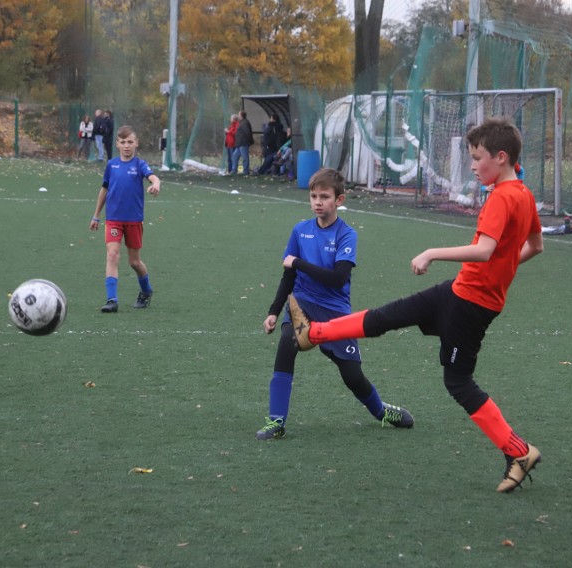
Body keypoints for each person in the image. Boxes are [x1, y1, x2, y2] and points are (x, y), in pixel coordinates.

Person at [289, 118, 544, 492]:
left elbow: (485, 250)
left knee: (458, 381)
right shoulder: (523, 193)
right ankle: (313, 332)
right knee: (386, 316)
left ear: (501, 158)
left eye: (477, 158)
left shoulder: (502, 198)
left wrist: (432, 253)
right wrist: (501, 270)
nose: (472, 165)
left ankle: (519, 451)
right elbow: (535, 246)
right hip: (460, 291)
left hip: (471, 305)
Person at [256, 168, 414, 440]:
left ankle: (381, 412)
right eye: (313, 196)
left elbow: (338, 279)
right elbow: (288, 276)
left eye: (324, 197)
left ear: (339, 200)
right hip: (302, 302)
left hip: (335, 313)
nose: (318, 202)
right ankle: (276, 421)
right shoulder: (300, 231)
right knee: (286, 345)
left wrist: (299, 262)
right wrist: (273, 311)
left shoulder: (346, 234)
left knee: (352, 376)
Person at [89, 126, 161, 313]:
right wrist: (96, 215)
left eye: (130, 142)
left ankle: (146, 291)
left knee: (134, 262)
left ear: (136, 143)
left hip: (134, 220)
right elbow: (104, 190)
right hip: (113, 219)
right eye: (123, 142)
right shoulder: (111, 165)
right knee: (112, 254)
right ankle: (111, 300)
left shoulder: (139, 165)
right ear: (117, 144)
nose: (127, 146)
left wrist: (156, 183)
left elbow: (153, 177)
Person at [231, 110, 254, 175]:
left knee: (245, 158)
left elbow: (248, 132)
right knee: (234, 156)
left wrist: (248, 141)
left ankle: (246, 172)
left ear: (241, 115)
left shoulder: (245, 123)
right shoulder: (241, 122)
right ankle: (234, 170)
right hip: (239, 144)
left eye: (239, 114)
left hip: (243, 143)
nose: (238, 116)